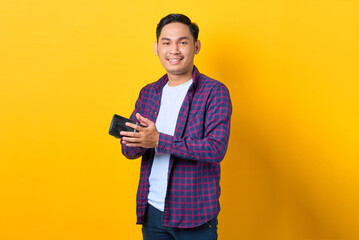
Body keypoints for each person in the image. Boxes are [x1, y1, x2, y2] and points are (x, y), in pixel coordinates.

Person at [120, 13, 232, 240]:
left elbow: (215, 148)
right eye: (166, 42)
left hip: (195, 217)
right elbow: (129, 152)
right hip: (152, 212)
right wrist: (132, 140)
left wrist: (159, 140)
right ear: (156, 48)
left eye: (182, 42)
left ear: (196, 46)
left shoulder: (214, 92)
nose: (174, 50)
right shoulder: (149, 92)